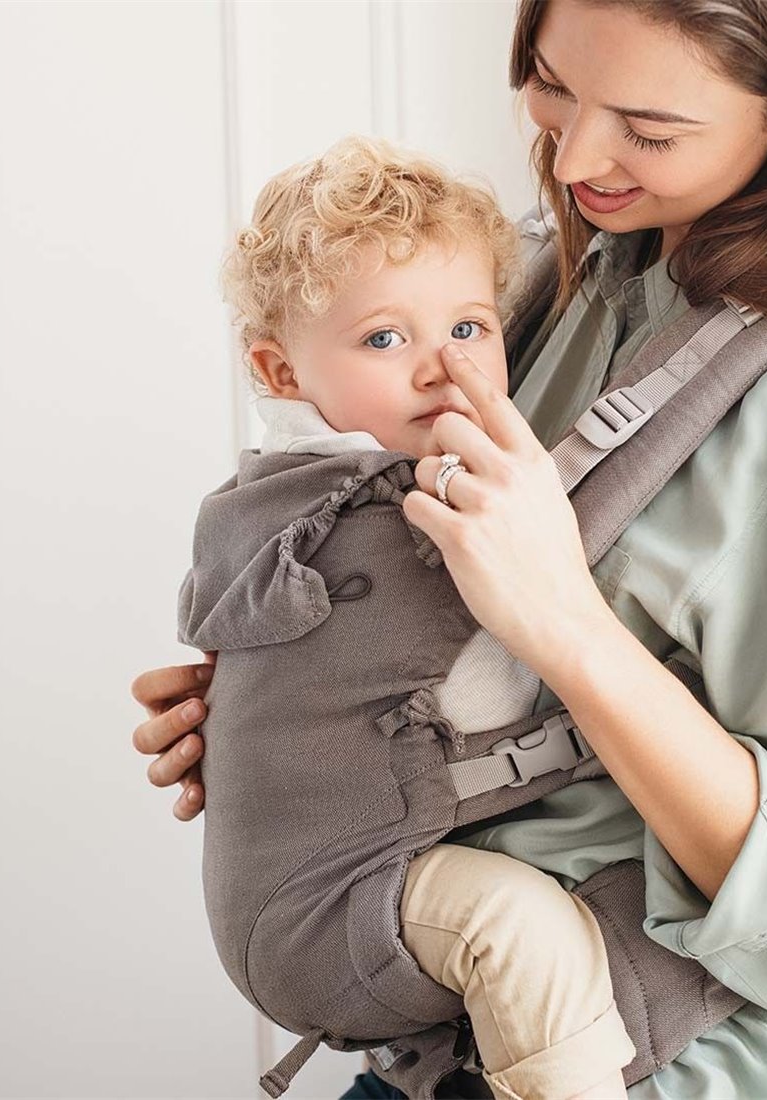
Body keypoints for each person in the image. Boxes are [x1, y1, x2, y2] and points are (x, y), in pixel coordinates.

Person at [132, 1, 767, 1096]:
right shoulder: (552, 283)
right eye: (550, 83)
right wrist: (295, 705)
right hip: (433, 1043)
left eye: (646, 124)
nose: (574, 154)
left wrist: (568, 628)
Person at [179, 134, 637, 1100]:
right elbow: (483, 671)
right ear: (282, 371)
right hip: (324, 910)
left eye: (470, 328)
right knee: (523, 932)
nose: (442, 369)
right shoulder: (348, 506)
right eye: (385, 339)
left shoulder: (327, 484)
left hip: (333, 883)